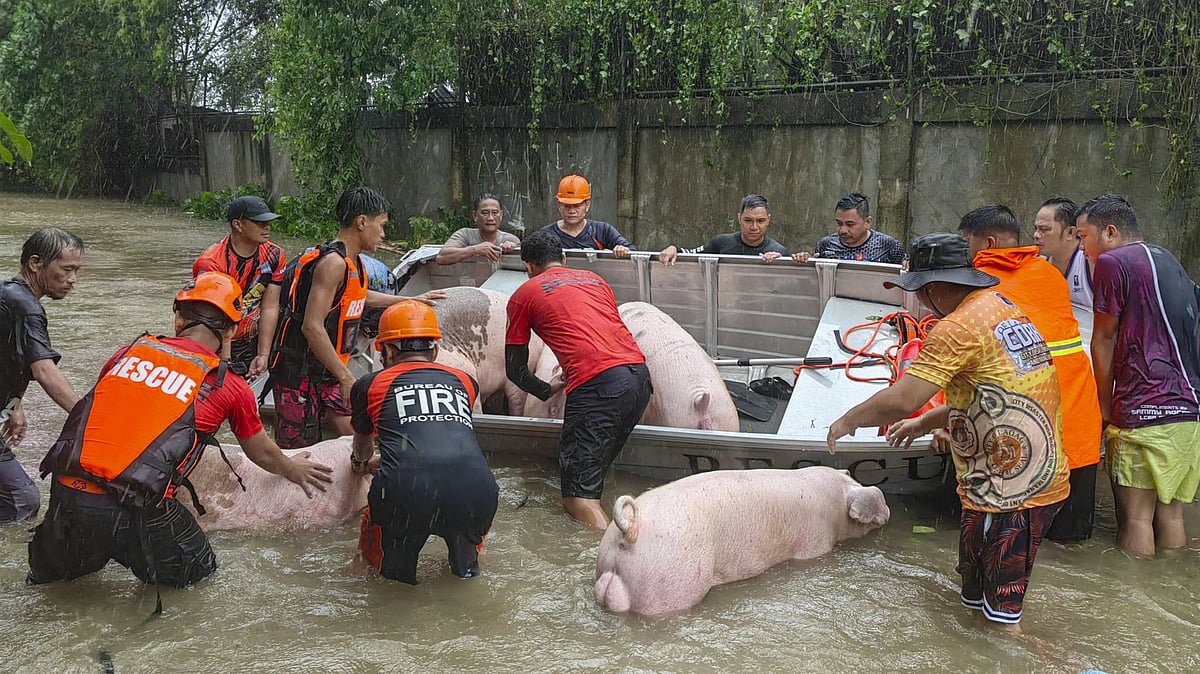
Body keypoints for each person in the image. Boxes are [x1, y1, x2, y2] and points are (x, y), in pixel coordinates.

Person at [27, 272, 332, 588]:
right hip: (133, 507)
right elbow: (261, 451)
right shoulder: (228, 385)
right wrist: (293, 469)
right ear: (232, 331)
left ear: (177, 317)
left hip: (65, 494)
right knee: (197, 576)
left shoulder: (126, 354)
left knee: (54, 585)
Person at [827, 232, 1068, 632]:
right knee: (975, 606)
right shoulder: (1002, 306)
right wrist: (926, 422)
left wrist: (849, 419)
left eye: (919, 293)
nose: (918, 302)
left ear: (936, 287)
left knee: (1002, 628)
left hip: (1013, 495)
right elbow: (991, 391)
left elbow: (903, 397)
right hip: (1011, 480)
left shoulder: (956, 328)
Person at [891, 205, 1101, 542]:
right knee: (1066, 549)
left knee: (995, 547)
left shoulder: (983, 288)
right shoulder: (1049, 274)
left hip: (1016, 444)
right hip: (1077, 433)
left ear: (986, 244)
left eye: (964, 246)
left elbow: (965, 356)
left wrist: (940, 420)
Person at [266, 187, 445, 449]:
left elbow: (360, 296)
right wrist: (346, 377)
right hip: (299, 375)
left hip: (328, 373)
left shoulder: (354, 263)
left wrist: (410, 300)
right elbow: (312, 327)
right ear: (362, 222)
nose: (383, 233)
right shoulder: (333, 263)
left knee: (359, 438)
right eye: (381, 225)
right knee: (299, 455)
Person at [1076, 194, 1200, 559]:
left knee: (1135, 519)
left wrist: (1103, 403)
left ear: (1110, 232)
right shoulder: (1168, 258)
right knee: (1170, 512)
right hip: (1187, 414)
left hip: (1142, 410)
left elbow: (1102, 337)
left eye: (1084, 238)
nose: (1083, 249)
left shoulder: (1113, 262)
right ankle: (1167, 584)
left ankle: (1132, 593)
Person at [505, 231, 652, 529]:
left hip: (599, 388)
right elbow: (598, 332)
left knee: (577, 499)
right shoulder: (594, 279)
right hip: (638, 377)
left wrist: (545, 390)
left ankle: (609, 563)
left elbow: (514, 369)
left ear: (528, 267)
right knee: (593, 477)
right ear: (563, 258)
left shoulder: (525, 294)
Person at [350, 300, 498, 583]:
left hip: (405, 492)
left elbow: (363, 446)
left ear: (388, 351)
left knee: (385, 579)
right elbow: (443, 432)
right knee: (465, 577)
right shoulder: (466, 381)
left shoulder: (369, 384)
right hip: (476, 490)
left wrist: (360, 464)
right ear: (436, 350)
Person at [0, 228, 85, 522]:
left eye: (76, 271)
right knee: (22, 501)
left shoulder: (9, 295)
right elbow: (44, 370)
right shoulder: (25, 306)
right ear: (36, 263)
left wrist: (14, 406)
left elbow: (8, 359)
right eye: (67, 269)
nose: (73, 280)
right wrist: (88, 416)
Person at [192, 195, 287, 377]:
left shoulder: (275, 256)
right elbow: (209, 319)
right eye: (259, 222)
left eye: (268, 221)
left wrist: (263, 354)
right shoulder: (211, 263)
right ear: (238, 225)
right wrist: (224, 361)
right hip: (213, 337)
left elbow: (270, 306)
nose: (267, 227)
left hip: (248, 336)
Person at [658, 194, 789, 265]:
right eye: (748, 220)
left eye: (760, 221)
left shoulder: (779, 252)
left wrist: (780, 263)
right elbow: (690, 254)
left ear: (768, 220)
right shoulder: (721, 243)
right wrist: (674, 249)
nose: (754, 227)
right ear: (739, 218)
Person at [537, 175, 635, 259]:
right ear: (559, 205)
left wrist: (623, 250)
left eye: (577, 206)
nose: (571, 211)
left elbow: (633, 251)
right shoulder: (546, 235)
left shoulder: (602, 230)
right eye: (566, 206)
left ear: (587, 205)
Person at [793, 192, 906, 263]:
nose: (842, 230)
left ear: (867, 222)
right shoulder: (825, 245)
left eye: (850, 224)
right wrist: (804, 261)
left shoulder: (889, 246)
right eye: (839, 223)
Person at [1033, 197, 1093, 310]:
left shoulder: (1090, 263)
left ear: (1070, 232)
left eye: (1044, 229)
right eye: (1035, 228)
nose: (1036, 235)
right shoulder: (1037, 262)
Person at [436, 194, 521, 265]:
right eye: (485, 213)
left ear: (501, 215)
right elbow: (442, 257)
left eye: (495, 213)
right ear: (475, 215)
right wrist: (476, 249)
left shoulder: (511, 240)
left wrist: (513, 249)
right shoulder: (465, 234)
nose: (490, 218)